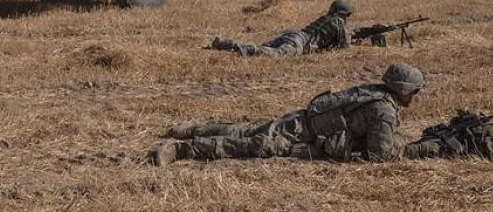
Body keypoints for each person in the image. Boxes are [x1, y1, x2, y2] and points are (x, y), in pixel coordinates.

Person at [151, 63, 441, 166]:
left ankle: (193, 129)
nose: (416, 97)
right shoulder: (384, 111)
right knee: (251, 145)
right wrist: (418, 148)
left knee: (248, 131)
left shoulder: (375, 91)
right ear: (404, 91)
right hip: (307, 137)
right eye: (415, 92)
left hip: (303, 119)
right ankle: (182, 149)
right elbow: (382, 156)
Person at [210, 0, 354, 57]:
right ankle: (243, 49)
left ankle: (226, 43)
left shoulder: (325, 18)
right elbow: (344, 47)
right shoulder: (338, 22)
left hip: (294, 34)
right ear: (342, 14)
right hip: (301, 43)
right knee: (273, 54)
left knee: (263, 47)